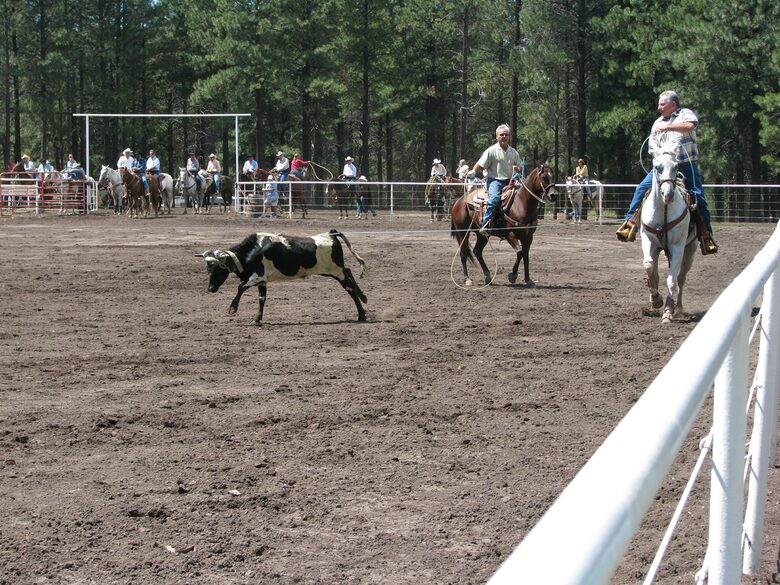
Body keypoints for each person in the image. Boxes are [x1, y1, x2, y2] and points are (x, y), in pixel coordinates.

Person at [616, 90, 718, 254]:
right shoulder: (657, 123)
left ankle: (707, 236)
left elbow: (690, 125)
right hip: (664, 166)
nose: (659, 107)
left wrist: (668, 127)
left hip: (685, 164)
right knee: (641, 188)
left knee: (698, 196)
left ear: (673, 104)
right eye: (659, 104)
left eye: (662, 104)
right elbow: (652, 148)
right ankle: (629, 224)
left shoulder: (685, 114)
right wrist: (662, 158)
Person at [472, 123, 522, 232]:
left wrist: (518, 169)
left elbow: (520, 166)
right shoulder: (491, 151)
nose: (504, 137)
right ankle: (486, 223)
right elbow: (480, 165)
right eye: (501, 135)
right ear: (497, 137)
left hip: (511, 181)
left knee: (522, 197)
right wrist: (473, 171)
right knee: (494, 199)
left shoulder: (513, 152)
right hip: (495, 180)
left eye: (506, 135)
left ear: (509, 137)